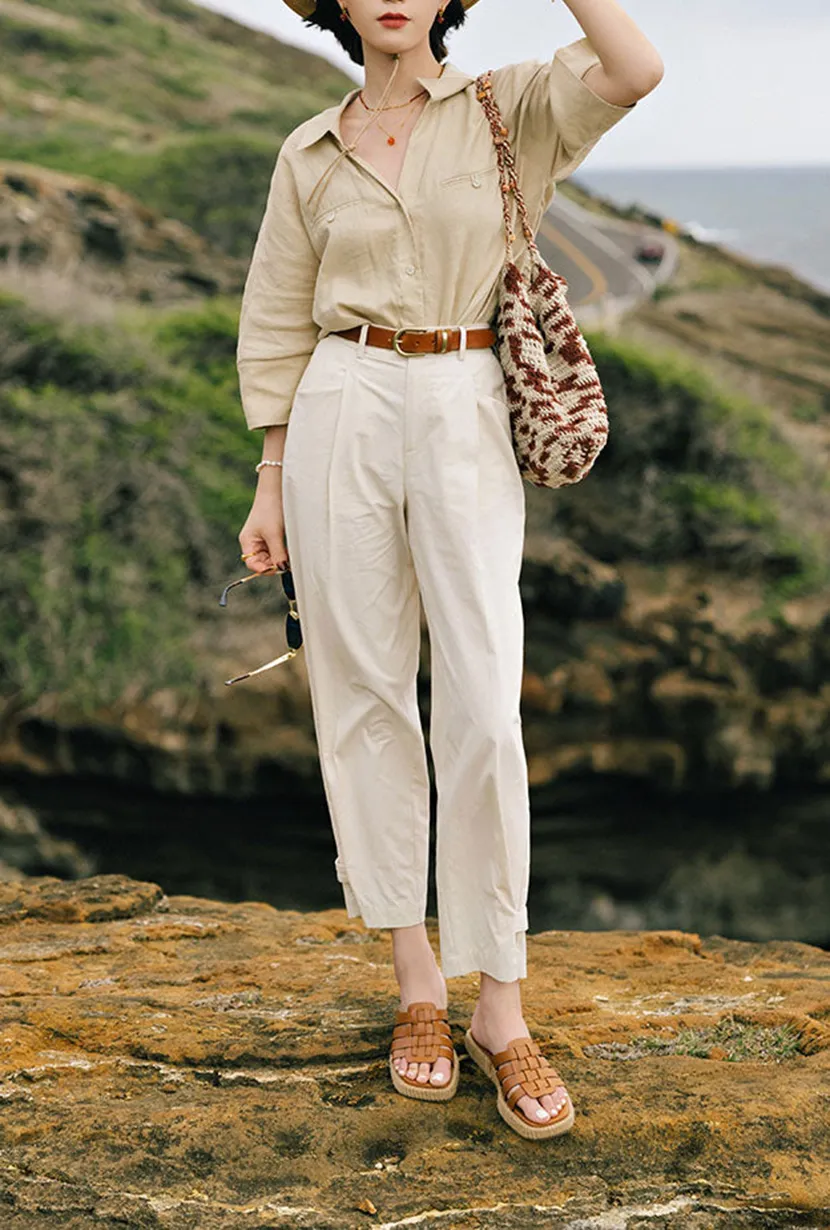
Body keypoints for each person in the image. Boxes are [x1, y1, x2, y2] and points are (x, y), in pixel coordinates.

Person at [235, 0, 662, 1140]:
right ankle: (417, 987)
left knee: (479, 699)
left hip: (467, 391)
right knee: (364, 693)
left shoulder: (510, 104)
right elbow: (276, 315)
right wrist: (270, 479)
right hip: (337, 401)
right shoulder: (307, 149)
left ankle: (501, 1007)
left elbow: (634, 66)